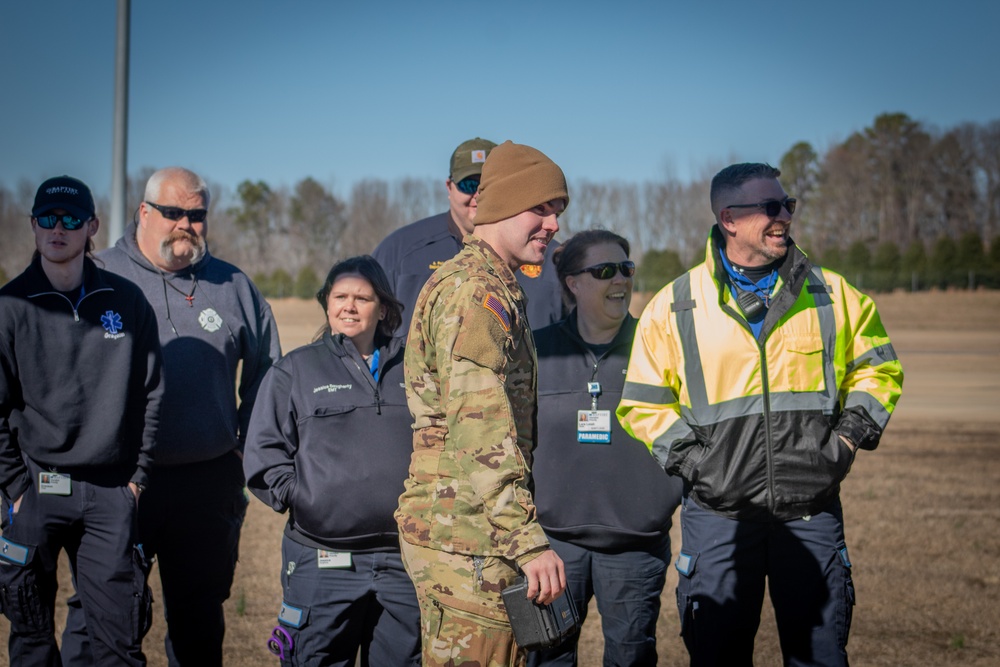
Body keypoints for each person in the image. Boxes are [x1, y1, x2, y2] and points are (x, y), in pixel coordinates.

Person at [617, 163, 904, 666]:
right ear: (729, 218)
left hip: (811, 511)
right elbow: (643, 403)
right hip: (718, 516)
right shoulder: (675, 305)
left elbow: (880, 370)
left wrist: (844, 443)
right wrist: (702, 468)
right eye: (770, 208)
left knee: (820, 655)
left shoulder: (833, 294)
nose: (784, 217)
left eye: (788, 205)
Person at [63, 166, 282, 666]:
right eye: (173, 212)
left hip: (207, 485)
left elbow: (268, 371)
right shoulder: (98, 277)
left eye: (197, 215)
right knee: (102, 617)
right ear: (144, 212)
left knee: (199, 621)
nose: (186, 224)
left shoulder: (231, 285)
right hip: (115, 483)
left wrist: (245, 441)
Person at [395, 140, 569, 666]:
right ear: (501, 207)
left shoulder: (492, 283)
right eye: (541, 208)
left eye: (558, 211)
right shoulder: (476, 291)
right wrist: (526, 538)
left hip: (473, 530)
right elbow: (481, 425)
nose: (554, 225)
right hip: (467, 534)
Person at [0, 175, 162, 665]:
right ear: (32, 224)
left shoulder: (127, 301)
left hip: (110, 494)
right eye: (47, 217)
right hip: (35, 489)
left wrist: (135, 481)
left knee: (117, 642)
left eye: (71, 220)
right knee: (30, 637)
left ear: (92, 226)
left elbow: (151, 394)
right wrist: (15, 487)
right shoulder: (10, 306)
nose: (58, 229)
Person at [243, 255, 420, 666]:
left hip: (405, 561)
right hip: (323, 560)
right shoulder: (296, 371)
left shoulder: (416, 368)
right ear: (326, 303)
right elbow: (265, 453)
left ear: (384, 308)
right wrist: (309, 498)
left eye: (362, 297)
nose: (349, 306)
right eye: (340, 296)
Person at [529, 229, 684, 667]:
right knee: (548, 659)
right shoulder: (537, 349)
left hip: (636, 545)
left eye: (626, 269)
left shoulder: (659, 348)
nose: (620, 280)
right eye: (604, 271)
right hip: (552, 548)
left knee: (631, 659)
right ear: (573, 283)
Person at [372, 137, 565, 336]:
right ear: (449, 187)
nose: (479, 195)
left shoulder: (550, 256)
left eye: (487, 186)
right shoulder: (399, 249)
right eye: (469, 184)